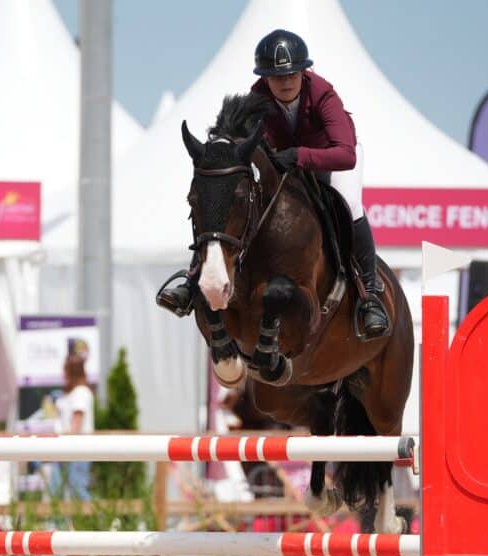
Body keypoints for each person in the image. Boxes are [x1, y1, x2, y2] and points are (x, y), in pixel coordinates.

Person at [156, 28, 390, 340]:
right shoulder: (257, 97)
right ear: (264, 77)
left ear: (303, 71)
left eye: (292, 73)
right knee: (230, 199)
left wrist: (299, 156)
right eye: (276, 76)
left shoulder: (323, 95)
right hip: (284, 162)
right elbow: (235, 138)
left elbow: (345, 155)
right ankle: (193, 278)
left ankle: (368, 296)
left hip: (330, 158)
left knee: (350, 205)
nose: (285, 81)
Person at [51, 354, 94, 500]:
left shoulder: (81, 392)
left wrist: (64, 443)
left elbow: (76, 423)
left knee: (78, 491)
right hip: (64, 448)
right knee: (56, 490)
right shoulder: (68, 393)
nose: (64, 375)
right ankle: (58, 523)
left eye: (66, 371)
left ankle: (102, 520)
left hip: (76, 449)